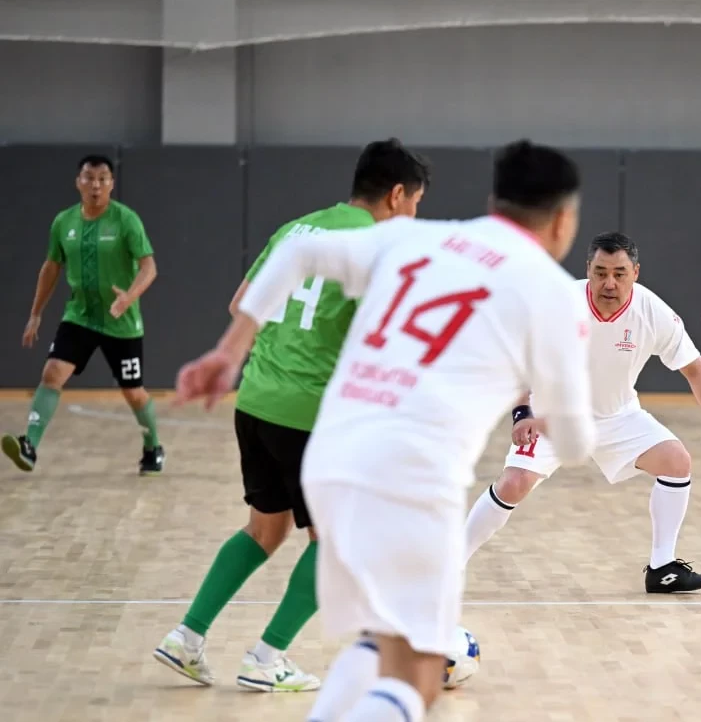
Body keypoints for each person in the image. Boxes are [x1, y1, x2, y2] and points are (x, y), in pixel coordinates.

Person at [172, 139, 596, 722]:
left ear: (494, 201)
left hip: (330, 457)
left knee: (382, 642)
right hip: (412, 480)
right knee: (420, 673)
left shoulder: (413, 238)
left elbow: (296, 253)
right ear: (564, 219)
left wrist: (229, 351)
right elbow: (575, 445)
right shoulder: (552, 293)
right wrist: (557, 422)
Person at [152, 138, 431, 693]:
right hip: (311, 414)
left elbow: (241, 304)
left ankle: (186, 637)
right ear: (397, 195)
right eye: (417, 203)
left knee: (265, 528)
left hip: (257, 400)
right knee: (335, 542)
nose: (415, 215)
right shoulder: (378, 247)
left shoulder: (296, 230)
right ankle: (266, 657)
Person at [464, 231, 701, 593]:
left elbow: (695, 370)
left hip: (618, 416)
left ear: (635, 273)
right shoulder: (558, 305)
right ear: (588, 270)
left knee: (676, 461)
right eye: (601, 272)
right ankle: (451, 563)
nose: (610, 283)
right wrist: (522, 413)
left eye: (620, 274)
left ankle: (662, 568)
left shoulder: (653, 311)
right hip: (552, 415)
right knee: (513, 484)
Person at [2, 155, 163, 475]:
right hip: (80, 316)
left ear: (112, 184)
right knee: (52, 373)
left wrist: (129, 297)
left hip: (121, 320)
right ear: (78, 182)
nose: (96, 185)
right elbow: (51, 268)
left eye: (103, 179)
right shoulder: (64, 222)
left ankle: (153, 447)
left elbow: (149, 267)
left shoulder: (126, 220)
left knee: (133, 392)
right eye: (89, 178)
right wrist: (35, 313)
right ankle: (29, 445)